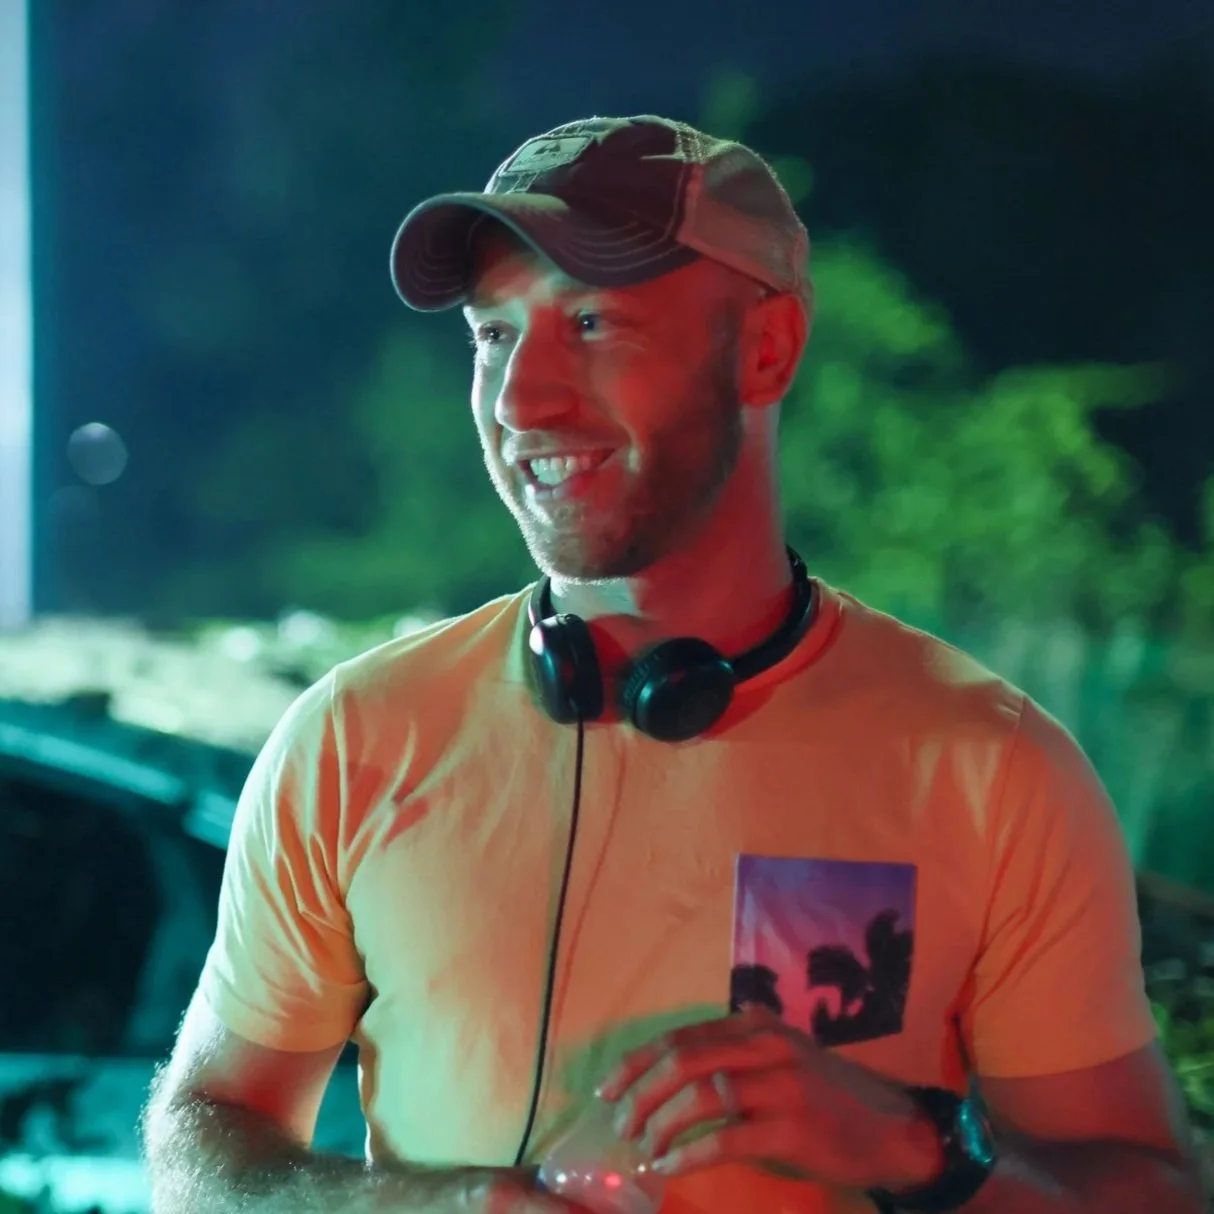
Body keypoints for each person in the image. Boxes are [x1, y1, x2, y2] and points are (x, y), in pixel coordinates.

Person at [140, 115, 1205, 1214]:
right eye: (493, 335)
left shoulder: (991, 766)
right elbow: (200, 1145)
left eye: (591, 322)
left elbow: (1155, 1194)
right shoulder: (353, 739)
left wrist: (914, 1149)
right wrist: (434, 1206)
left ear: (766, 348)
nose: (520, 402)